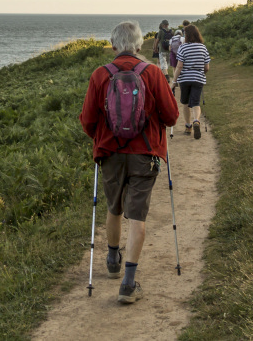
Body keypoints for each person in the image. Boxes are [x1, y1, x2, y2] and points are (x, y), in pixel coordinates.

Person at [80, 21, 179, 304]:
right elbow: (171, 117)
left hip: (110, 152)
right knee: (137, 214)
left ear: (113, 46)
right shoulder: (152, 73)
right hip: (145, 153)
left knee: (114, 207)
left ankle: (112, 259)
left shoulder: (100, 74)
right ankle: (128, 282)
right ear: (139, 45)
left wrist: (101, 139)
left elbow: (87, 120)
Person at [171, 24, 211, 139]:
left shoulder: (183, 48)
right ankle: (196, 121)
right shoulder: (203, 48)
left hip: (184, 79)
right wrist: (201, 74)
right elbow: (207, 67)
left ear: (186, 35)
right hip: (198, 79)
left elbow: (179, 66)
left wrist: (174, 81)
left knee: (185, 103)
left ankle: (188, 126)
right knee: (196, 103)